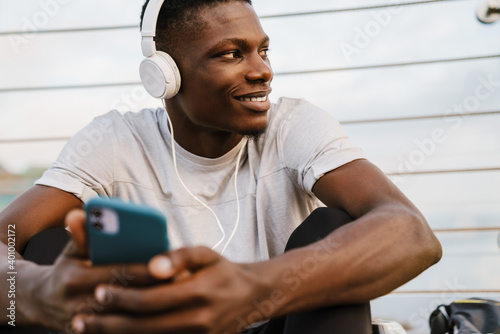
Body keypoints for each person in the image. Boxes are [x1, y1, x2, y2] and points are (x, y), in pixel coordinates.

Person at [0, 0, 442, 333]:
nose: (262, 71)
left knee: (333, 227)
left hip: (274, 319)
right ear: (164, 76)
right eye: (232, 54)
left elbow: (411, 233)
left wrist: (251, 289)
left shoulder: (294, 125)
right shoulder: (116, 140)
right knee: (46, 249)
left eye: (263, 51)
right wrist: (36, 291)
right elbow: (8, 237)